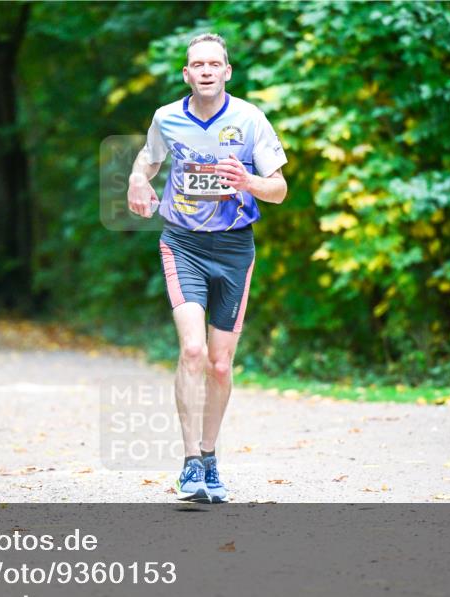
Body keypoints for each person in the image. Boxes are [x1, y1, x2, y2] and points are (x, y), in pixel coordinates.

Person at [127, 34, 287, 503]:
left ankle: (211, 458)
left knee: (219, 364)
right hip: (183, 243)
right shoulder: (166, 118)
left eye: (214, 64)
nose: (206, 71)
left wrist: (249, 180)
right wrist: (138, 179)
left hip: (236, 249)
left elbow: (279, 190)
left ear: (227, 72)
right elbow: (147, 160)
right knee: (193, 351)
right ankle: (190, 464)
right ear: (186, 74)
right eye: (197, 64)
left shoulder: (250, 118)